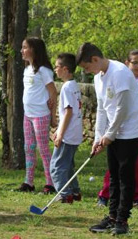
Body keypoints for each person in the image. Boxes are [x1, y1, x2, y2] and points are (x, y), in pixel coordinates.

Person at [77, 42, 138, 235]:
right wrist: (98, 137)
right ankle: (111, 217)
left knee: (126, 175)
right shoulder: (99, 77)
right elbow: (102, 108)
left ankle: (122, 220)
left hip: (132, 131)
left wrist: (110, 135)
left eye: (87, 67)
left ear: (95, 59)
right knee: (114, 175)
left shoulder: (120, 73)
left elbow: (122, 109)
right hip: (115, 131)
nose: (87, 71)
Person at [96, 50, 138, 208]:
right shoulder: (116, 76)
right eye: (134, 62)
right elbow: (106, 108)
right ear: (127, 62)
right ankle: (105, 194)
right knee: (115, 167)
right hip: (115, 128)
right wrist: (106, 133)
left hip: (136, 128)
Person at [19, 37, 57, 193]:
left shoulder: (44, 70)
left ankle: (51, 182)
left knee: (43, 149)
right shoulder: (27, 69)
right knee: (29, 148)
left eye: (25, 47)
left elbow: (53, 91)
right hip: (28, 115)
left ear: (34, 50)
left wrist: (52, 115)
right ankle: (29, 181)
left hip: (40, 115)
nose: (22, 50)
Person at [49, 53, 82, 203]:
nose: (55, 69)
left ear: (65, 68)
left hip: (68, 135)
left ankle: (64, 194)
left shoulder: (67, 88)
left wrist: (60, 134)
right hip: (74, 133)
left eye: (57, 67)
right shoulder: (74, 85)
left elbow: (68, 111)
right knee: (68, 166)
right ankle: (74, 192)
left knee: (56, 167)